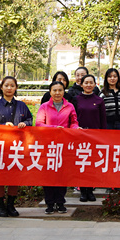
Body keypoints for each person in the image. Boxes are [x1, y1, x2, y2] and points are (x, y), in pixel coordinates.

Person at [0, 76, 33, 217]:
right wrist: (2, 126)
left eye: (12, 85)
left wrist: (25, 123)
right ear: (1, 87)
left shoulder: (22, 106)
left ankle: (11, 205)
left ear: (16, 88)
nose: (9, 88)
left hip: (17, 146)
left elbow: (30, 119)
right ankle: (0, 206)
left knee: (14, 176)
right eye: (6, 85)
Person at [36, 80, 79, 214]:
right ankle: (49, 203)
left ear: (63, 92)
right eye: (54, 90)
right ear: (50, 92)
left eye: (60, 90)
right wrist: (54, 128)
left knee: (62, 174)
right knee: (48, 174)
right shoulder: (44, 107)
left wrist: (76, 128)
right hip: (48, 145)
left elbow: (74, 122)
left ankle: (60, 202)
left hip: (64, 145)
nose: (57, 93)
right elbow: (39, 124)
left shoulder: (70, 106)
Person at [75, 74, 107, 202]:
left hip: (95, 137)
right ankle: (83, 191)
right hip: (80, 136)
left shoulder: (99, 100)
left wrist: (103, 136)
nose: (88, 85)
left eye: (91, 82)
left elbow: (103, 120)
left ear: (94, 84)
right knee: (82, 163)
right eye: (86, 82)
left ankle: (90, 190)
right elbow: (73, 117)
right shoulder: (76, 99)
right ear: (81, 84)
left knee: (92, 164)